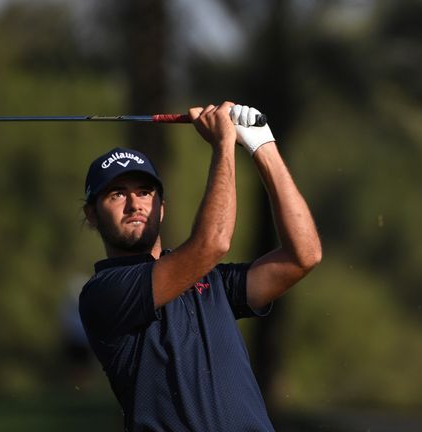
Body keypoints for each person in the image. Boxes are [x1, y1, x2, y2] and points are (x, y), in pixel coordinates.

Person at [78, 102, 321, 431]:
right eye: (117, 195)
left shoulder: (211, 280)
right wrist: (223, 144)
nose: (135, 204)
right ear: (92, 214)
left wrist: (263, 147)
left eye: (145, 192)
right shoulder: (103, 293)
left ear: (161, 208)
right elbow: (213, 243)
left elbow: (303, 255)